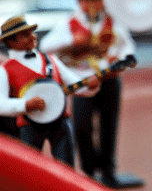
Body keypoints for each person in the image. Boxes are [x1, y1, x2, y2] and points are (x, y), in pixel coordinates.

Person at [39, 0, 143, 188]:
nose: (92, 4)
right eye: (87, 0)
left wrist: (119, 59)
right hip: (82, 81)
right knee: (82, 127)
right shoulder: (69, 24)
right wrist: (72, 42)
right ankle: (89, 170)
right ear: (79, 2)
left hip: (109, 80)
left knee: (108, 126)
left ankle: (108, 170)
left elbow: (127, 46)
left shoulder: (113, 21)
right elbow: (45, 46)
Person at [0, 15, 99, 166]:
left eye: (31, 33)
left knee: (66, 165)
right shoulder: (5, 70)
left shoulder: (51, 59)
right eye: (25, 35)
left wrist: (88, 85)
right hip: (30, 125)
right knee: (30, 167)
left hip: (60, 121)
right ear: (11, 42)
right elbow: (1, 103)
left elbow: (73, 82)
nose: (32, 37)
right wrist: (25, 105)